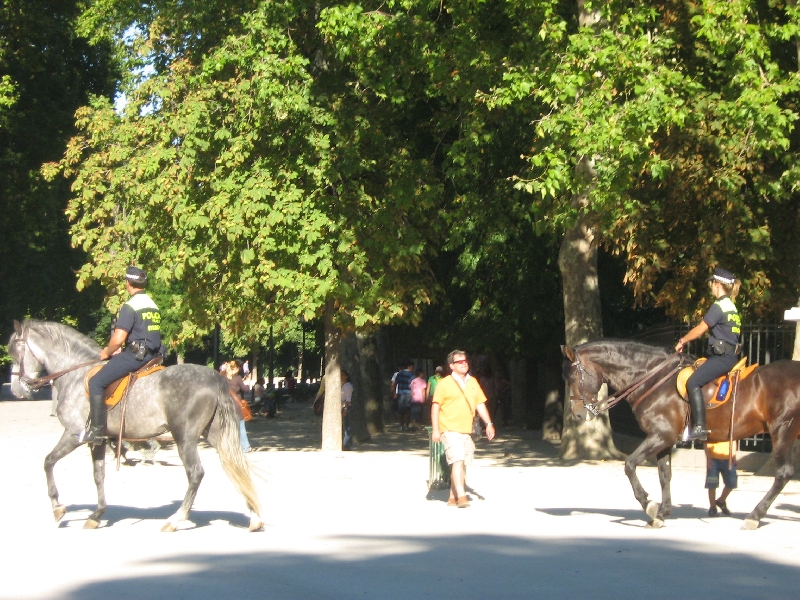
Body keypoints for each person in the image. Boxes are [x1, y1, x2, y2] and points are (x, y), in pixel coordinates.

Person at [79, 266, 161, 445]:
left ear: (128, 283)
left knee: (96, 382)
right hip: (153, 354)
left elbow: (117, 339)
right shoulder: (152, 305)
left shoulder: (130, 306)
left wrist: (107, 352)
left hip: (136, 357)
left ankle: (97, 432)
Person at [675, 266, 742, 441]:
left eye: (712, 283)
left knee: (693, 382)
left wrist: (683, 341)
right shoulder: (732, 307)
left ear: (718, 284)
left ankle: (699, 427)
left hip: (722, 358)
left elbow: (700, 329)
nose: (711, 287)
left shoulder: (719, 306)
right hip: (728, 356)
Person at [431, 350, 495, 508]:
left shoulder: (472, 382)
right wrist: (436, 429)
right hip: (449, 428)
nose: (464, 363)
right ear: (451, 365)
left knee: (462, 463)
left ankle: (452, 496)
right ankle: (461, 495)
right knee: (458, 460)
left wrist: (488, 423)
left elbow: (480, 404)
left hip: (467, 430)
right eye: (459, 362)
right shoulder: (444, 384)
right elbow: (435, 407)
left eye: (465, 361)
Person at [225, 360, 253, 452]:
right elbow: (246, 389)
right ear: (236, 368)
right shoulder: (237, 378)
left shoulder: (223, 377)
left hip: (226, 402)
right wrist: (248, 383)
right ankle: (245, 447)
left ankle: (228, 446)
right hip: (236, 402)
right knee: (241, 426)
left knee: (227, 426)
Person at [705, 440, 737, 516]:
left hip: (728, 458)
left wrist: (734, 457)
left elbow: (734, 441)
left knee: (732, 483)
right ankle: (712, 507)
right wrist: (708, 458)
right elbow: (706, 442)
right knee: (712, 484)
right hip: (713, 458)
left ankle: (721, 500)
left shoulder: (730, 428)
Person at [391, 361, 415, 431]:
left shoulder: (399, 374)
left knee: (400, 411)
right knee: (408, 410)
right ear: (410, 366)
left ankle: (401, 425)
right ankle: (406, 426)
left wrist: (393, 393)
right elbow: (413, 386)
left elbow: (394, 384)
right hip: (408, 393)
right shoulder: (411, 375)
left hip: (400, 393)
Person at [341, 370, 353, 450]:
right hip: (341, 406)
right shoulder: (343, 385)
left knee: (347, 426)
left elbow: (348, 399)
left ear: (346, 376)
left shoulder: (348, 386)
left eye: (342, 375)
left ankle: (347, 444)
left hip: (346, 406)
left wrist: (345, 409)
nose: (341, 377)